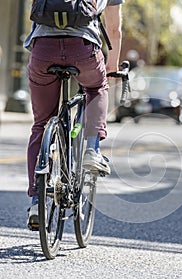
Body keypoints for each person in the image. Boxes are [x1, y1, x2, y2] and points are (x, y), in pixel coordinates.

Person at [24, 0, 124, 230]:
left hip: (43, 52)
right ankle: (92, 149)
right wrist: (112, 66)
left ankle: (36, 200)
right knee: (96, 88)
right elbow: (114, 29)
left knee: (41, 124)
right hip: (83, 50)